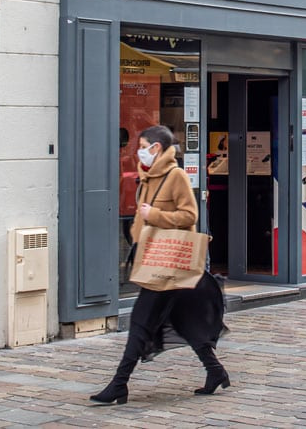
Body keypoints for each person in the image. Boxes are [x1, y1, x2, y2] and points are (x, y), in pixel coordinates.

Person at [90, 125, 230, 405]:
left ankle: (119, 384)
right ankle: (216, 372)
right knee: (185, 320)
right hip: (153, 258)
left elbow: (189, 214)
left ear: (157, 148)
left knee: (140, 321)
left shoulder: (175, 175)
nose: (139, 150)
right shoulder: (147, 177)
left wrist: (154, 214)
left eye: (143, 145)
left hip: (168, 262)